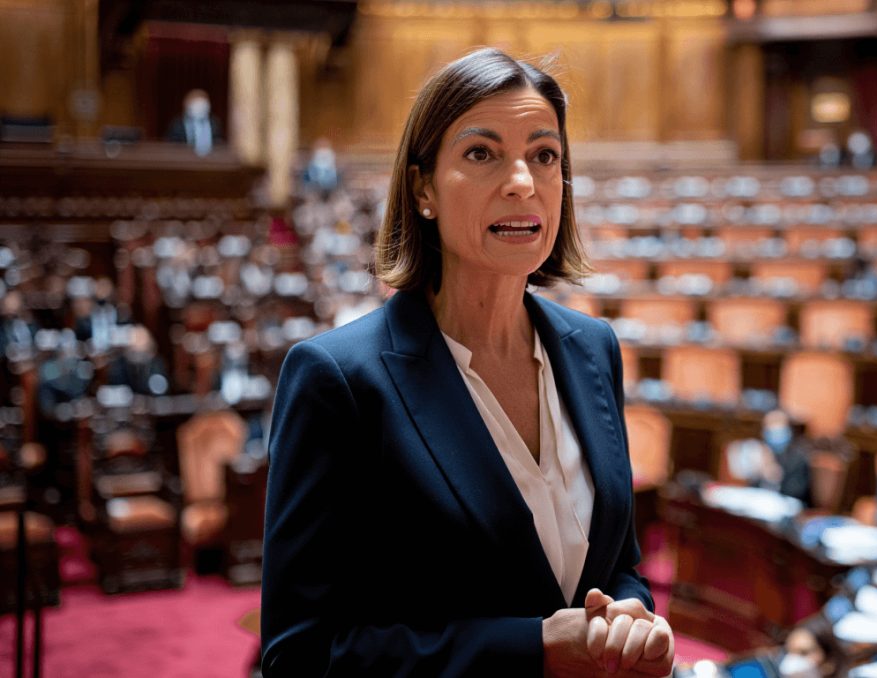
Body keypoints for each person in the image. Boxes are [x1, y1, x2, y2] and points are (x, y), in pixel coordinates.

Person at [260, 48, 673, 677]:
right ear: (423, 188)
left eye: (545, 155)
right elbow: (300, 656)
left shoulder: (594, 348)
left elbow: (618, 564)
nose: (523, 181)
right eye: (482, 153)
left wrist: (629, 619)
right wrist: (533, 650)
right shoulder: (337, 379)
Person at [165, 89, 222, 156]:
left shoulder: (214, 123)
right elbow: (170, 145)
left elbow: (219, 142)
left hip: (211, 159)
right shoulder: (177, 124)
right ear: (187, 106)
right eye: (197, 105)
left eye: (203, 104)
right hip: (184, 159)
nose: (201, 108)